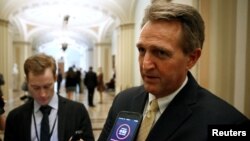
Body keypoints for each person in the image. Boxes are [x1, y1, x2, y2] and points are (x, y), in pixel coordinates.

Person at [98, 2, 249, 141]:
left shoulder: (228, 123)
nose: (145, 65)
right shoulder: (123, 101)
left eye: (161, 53)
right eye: (142, 50)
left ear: (192, 58)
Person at [4, 53, 94, 141]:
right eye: (36, 88)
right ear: (27, 81)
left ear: (55, 78)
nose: (42, 94)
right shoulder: (15, 118)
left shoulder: (78, 111)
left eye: (47, 86)